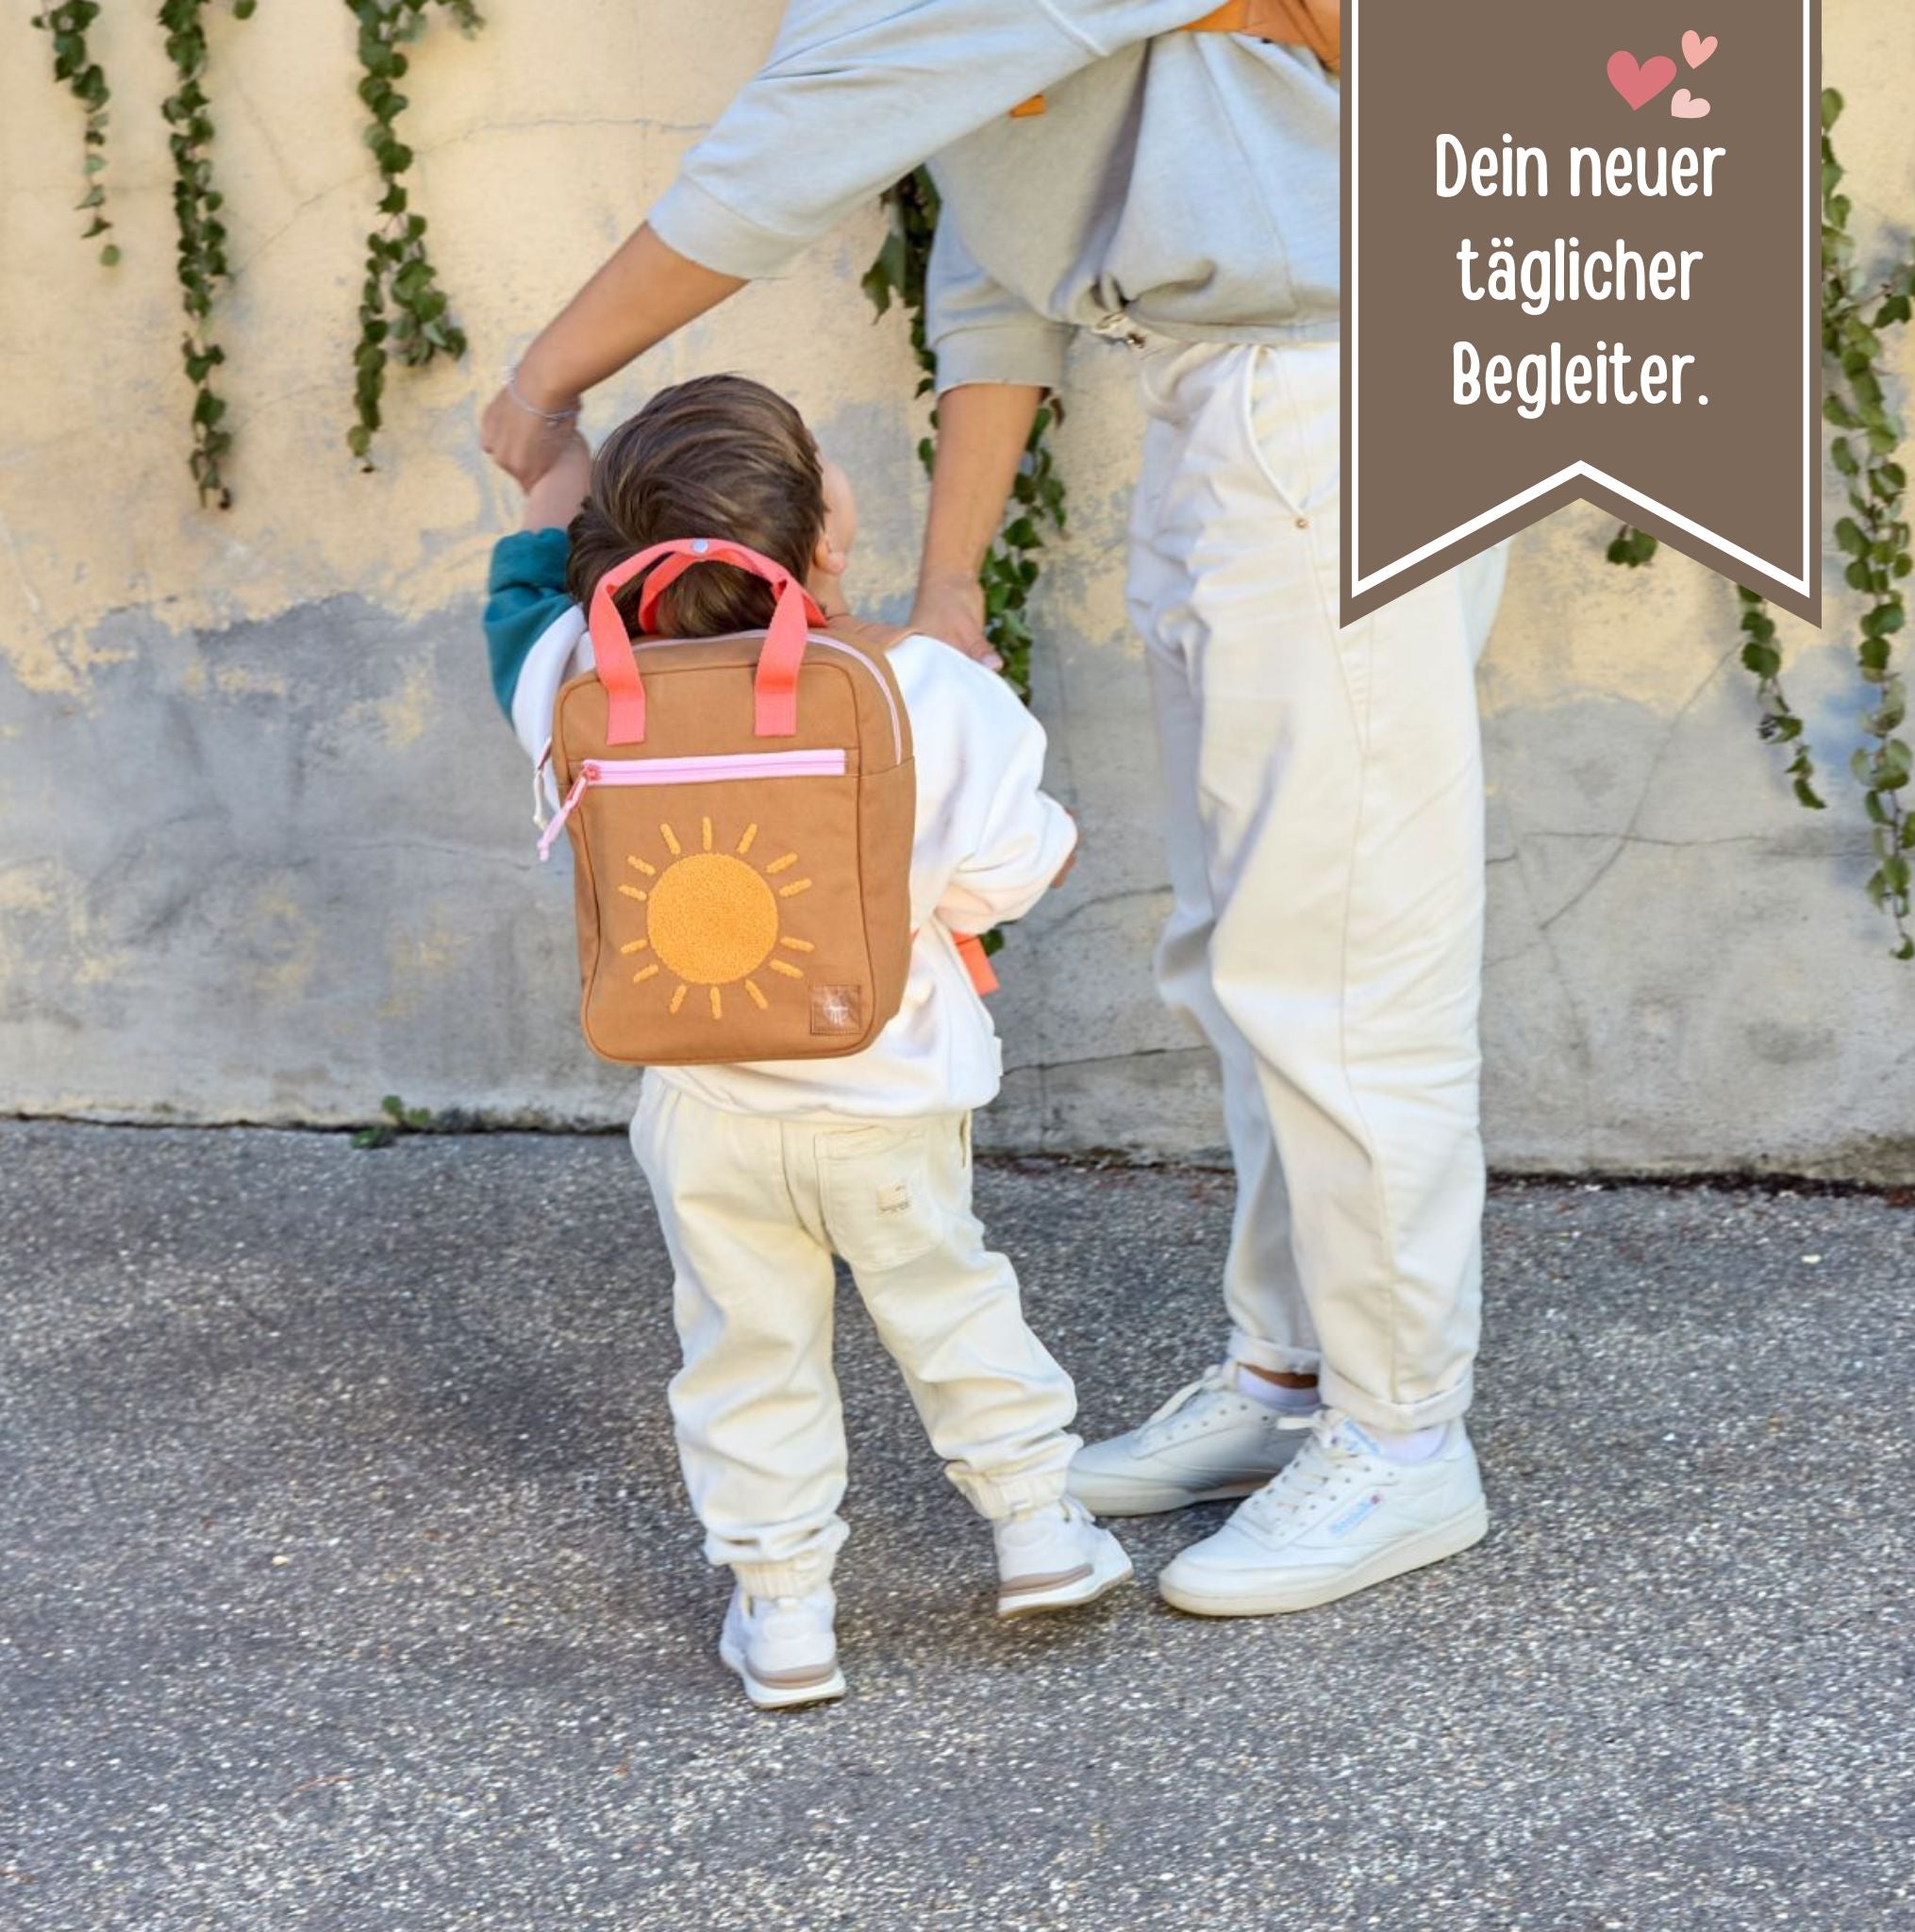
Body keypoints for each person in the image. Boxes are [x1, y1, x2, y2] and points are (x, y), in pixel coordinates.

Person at [481, 0, 1507, 1622]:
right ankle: (1294, 1373)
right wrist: (947, 589)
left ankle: (1406, 1437)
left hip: (1329, 399)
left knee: (1344, 953)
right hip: (1229, 408)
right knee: (1243, 944)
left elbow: (784, 154)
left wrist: (543, 392)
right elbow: (1000, 266)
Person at [483, 375, 1131, 1707]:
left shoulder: (573, 681)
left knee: (745, 1345)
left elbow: (523, 591)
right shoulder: (927, 689)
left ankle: (784, 1617)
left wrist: (551, 446)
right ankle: (1038, 1528)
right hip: (887, 1094)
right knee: (950, 1303)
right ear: (825, 541)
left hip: (704, 1113)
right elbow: (1019, 872)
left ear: (609, 549)